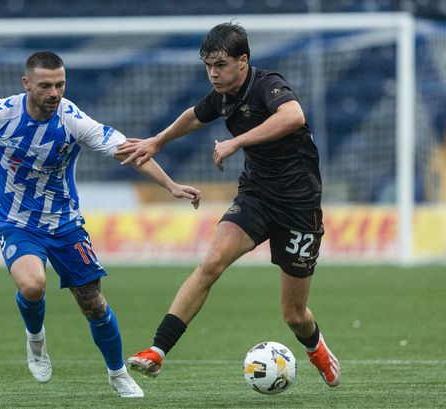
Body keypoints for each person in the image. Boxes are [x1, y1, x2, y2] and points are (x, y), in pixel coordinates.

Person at [0, 51, 201, 398]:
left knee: (94, 303)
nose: (54, 93)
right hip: (16, 223)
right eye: (46, 86)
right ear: (26, 84)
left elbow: (129, 151)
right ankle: (35, 340)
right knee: (33, 285)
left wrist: (170, 185)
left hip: (65, 223)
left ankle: (117, 373)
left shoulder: (73, 120)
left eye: (60, 85)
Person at [119, 22, 340, 387]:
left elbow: (293, 116)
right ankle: (157, 351)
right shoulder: (220, 96)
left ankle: (316, 348)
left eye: (220, 65)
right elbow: (193, 116)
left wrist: (237, 142)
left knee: (294, 314)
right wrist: (157, 142)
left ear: (243, 61)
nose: (213, 73)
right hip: (256, 196)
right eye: (208, 66)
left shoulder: (267, 84)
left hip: (299, 206)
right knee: (211, 263)